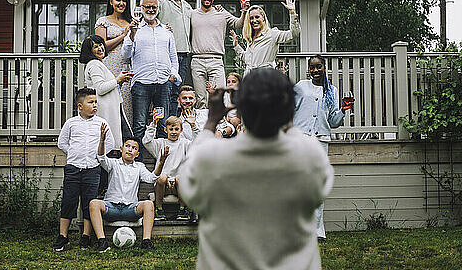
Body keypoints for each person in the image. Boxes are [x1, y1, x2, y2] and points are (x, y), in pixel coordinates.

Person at [178, 69, 334, 269]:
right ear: (290, 109)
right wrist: (286, 115)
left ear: (240, 109)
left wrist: (211, 120)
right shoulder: (309, 155)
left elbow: (188, 182)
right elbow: (320, 191)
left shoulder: (212, 158)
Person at [293, 54, 353, 242]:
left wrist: (343, 110)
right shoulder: (301, 87)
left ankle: (317, 231)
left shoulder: (332, 91)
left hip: (320, 141)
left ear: (324, 68)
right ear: (308, 70)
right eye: (312, 67)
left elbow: (333, 122)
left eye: (319, 67)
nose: (315, 70)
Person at [52, 87, 114, 252]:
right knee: (69, 202)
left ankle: (85, 236)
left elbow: (110, 144)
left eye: (95, 102)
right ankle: (63, 236)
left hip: (92, 169)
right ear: (80, 106)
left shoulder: (102, 123)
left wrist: (96, 157)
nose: (95, 105)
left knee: (89, 203)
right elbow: (62, 143)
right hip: (73, 169)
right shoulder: (71, 123)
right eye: (90, 102)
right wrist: (74, 154)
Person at [89, 134, 169, 251]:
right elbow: (101, 157)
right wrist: (101, 141)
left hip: (130, 209)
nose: (130, 149)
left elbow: (151, 178)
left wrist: (161, 162)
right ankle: (102, 241)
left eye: (134, 148)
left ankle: (146, 241)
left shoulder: (139, 167)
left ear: (137, 154)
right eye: (127, 146)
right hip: (112, 208)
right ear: (121, 149)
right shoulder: (113, 163)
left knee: (148, 204)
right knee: (94, 203)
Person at [122, 0, 180, 146]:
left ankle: (162, 163)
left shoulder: (166, 31)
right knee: (140, 125)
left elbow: (173, 56)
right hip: (142, 84)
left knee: (163, 125)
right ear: (141, 8)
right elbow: (126, 54)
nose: (151, 9)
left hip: (163, 83)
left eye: (154, 7)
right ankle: (138, 163)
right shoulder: (134, 29)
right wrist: (132, 35)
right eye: (147, 6)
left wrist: (173, 75)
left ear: (158, 8)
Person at [190, 0, 249, 107]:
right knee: (200, 99)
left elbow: (238, 24)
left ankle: (218, 125)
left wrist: (243, 11)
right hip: (197, 60)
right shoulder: (192, 14)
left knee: (219, 97)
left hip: (216, 61)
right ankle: (201, 125)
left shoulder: (221, 12)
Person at [80, 35, 133, 150]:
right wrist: (117, 80)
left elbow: (106, 86)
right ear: (89, 51)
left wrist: (120, 82)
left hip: (114, 107)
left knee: (125, 139)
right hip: (106, 108)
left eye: (100, 45)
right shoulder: (94, 65)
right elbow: (100, 88)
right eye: (95, 47)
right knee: (123, 141)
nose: (100, 48)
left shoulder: (98, 64)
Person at [230, 0, 300, 76]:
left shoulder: (272, 34)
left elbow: (293, 34)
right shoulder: (250, 39)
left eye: (257, 17)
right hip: (249, 79)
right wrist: (236, 46)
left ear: (263, 18)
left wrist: (292, 13)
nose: (254, 20)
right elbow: (248, 60)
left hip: (265, 77)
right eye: (251, 18)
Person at [95, 0, 134, 129]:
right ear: (111, 2)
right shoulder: (103, 21)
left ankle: (126, 143)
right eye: (118, 0)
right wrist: (123, 36)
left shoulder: (130, 21)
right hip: (109, 67)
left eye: (124, 0)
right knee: (111, 104)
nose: (121, 3)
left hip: (127, 68)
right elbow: (100, 46)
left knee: (127, 106)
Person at [142, 114, 192, 221]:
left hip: (178, 185)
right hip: (162, 185)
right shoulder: (160, 143)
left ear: (181, 130)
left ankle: (182, 210)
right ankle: (158, 209)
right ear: (165, 130)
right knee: (162, 177)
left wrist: (193, 126)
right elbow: (146, 141)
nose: (174, 132)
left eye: (176, 129)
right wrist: (153, 124)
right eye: (171, 129)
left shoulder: (185, 144)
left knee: (180, 178)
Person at [157, 0, 193, 116]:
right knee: (164, 92)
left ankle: (173, 123)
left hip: (184, 55)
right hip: (168, 55)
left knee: (175, 93)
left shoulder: (187, 6)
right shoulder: (161, 1)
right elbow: (146, 9)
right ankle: (163, 127)